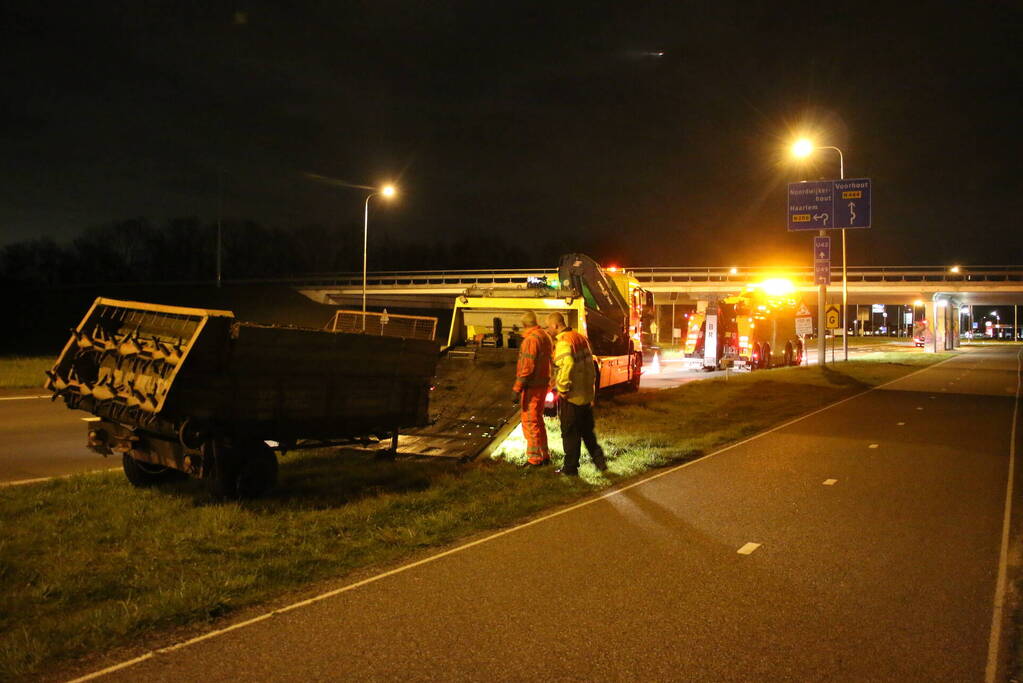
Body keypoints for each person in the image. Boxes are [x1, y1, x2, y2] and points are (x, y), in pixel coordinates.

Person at [546, 312, 607, 475]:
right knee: (587, 431)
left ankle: (570, 467)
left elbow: (567, 365)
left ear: (556, 325)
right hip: (585, 394)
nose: (548, 330)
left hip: (572, 395)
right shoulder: (580, 338)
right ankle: (600, 461)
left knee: (570, 431)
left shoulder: (564, 342)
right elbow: (590, 366)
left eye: (549, 327)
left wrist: (563, 388)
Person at [511, 311, 553, 466]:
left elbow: (527, 368)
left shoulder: (530, 340)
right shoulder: (545, 336)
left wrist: (517, 388)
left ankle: (535, 459)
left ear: (523, 325)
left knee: (530, 422)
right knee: (538, 420)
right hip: (542, 385)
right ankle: (544, 454)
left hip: (532, 387)